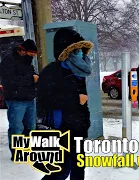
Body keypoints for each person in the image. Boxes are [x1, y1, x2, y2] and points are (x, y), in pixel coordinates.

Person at [36, 28, 94, 180]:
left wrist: (85, 124)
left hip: (78, 130)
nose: (80, 53)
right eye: (76, 50)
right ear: (66, 51)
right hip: (59, 130)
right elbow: (45, 100)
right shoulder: (50, 72)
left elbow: (83, 102)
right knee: (60, 171)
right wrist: (75, 98)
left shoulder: (79, 72)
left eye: (81, 50)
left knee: (79, 168)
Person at [0, 39, 38, 161]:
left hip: (29, 99)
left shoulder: (27, 60)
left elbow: (30, 74)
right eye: (31, 53)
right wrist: (31, 79)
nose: (32, 56)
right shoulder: (8, 60)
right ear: (22, 50)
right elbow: (9, 81)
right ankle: (17, 152)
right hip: (15, 99)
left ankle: (26, 150)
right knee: (17, 127)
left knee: (30, 127)